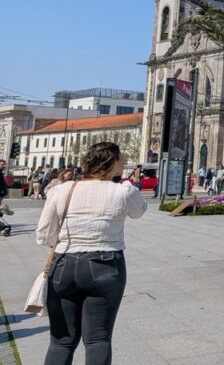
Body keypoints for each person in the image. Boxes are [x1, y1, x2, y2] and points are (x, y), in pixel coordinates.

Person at [36, 142, 147, 365]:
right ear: (113, 163)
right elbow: (139, 211)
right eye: (121, 159)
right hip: (105, 264)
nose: (124, 162)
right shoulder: (123, 191)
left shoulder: (63, 189)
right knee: (98, 339)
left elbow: (44, 235)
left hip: (64, 263)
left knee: (61, 342)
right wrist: (130, 183)